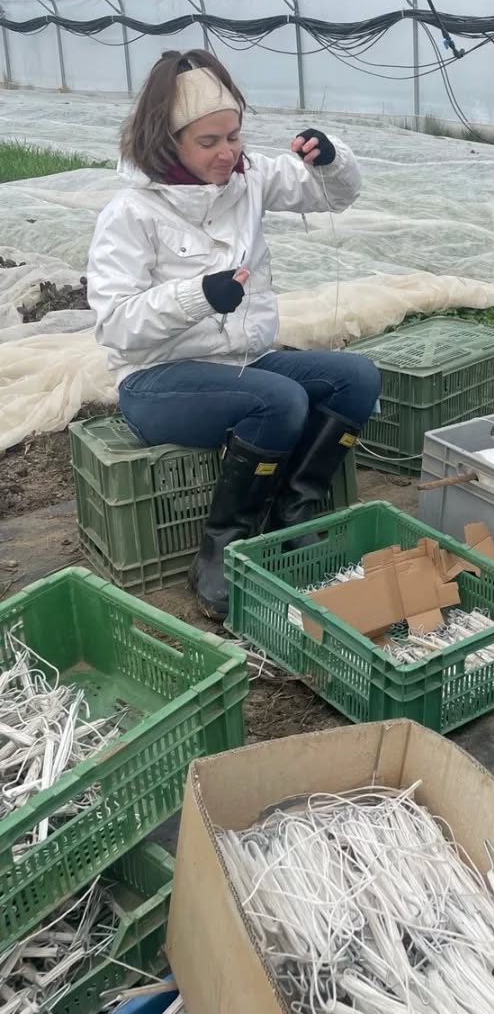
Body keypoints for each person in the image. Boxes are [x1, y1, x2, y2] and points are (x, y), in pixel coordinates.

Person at [86, 49, 379, 621]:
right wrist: (197, 294)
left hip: (245, 362)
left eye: (234, 137)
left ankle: (293, 517)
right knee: (281, 400)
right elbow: (115, 323)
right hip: (157, 380)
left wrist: (330, 157)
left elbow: (334, 194)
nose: (228, 154)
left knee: (356, 378)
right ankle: (222, 548)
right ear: (168, 142)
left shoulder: (249, 179)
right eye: (209, 142)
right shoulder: (131, 213)